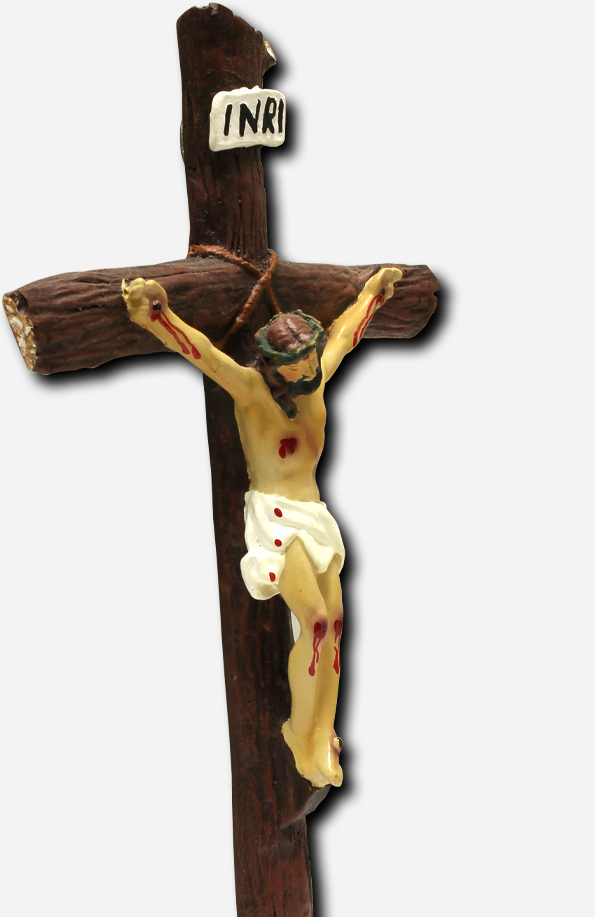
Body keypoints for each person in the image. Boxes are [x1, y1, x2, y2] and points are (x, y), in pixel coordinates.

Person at [122, 266, 402, 787]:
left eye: (311, 357)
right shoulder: (251, 392)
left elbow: (344, 335)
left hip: (314, 514)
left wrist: (372, 295)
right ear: (275, 366)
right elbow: (206, 356)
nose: (310, 367)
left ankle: (322, 732)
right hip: (275, 515)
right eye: (298, 364)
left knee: (336, 626)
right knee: (314, 621)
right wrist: (157, 317)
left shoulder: (316, 380)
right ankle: (299, 731)